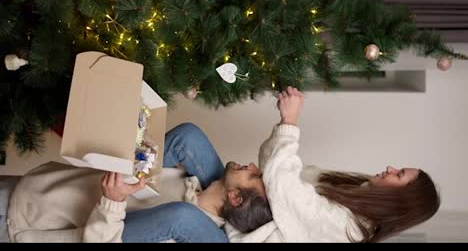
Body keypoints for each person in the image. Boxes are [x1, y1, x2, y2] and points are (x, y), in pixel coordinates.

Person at [225, 86, 440, 243]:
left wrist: (290, 122)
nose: (390, 168)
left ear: (399, 201)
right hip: (231, 211)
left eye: (399, 174)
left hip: (231, 234)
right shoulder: (348, 189)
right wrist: (284, 123)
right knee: (190, 137)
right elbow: (272, 169)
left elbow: (282, 185)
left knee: (189, 139)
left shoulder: (347, 229)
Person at [5, 123, 272, 242]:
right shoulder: (191, 180)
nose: (253, 166)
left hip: (20, 223)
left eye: (255, 176)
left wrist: (113, 202)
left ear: (236, 197)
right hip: (34, 183)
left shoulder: (178, 234)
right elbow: (185, 139)